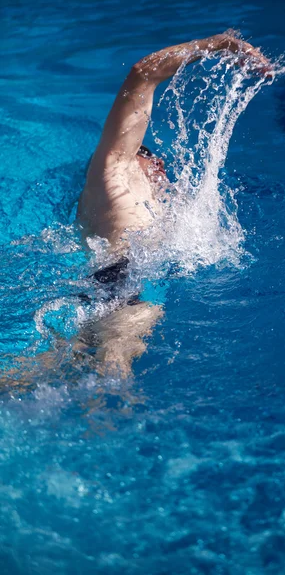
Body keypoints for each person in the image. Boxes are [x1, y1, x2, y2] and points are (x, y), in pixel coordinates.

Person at [73, 32, 271, 376]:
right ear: (136, 158)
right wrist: (220, 43)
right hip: (127, 287)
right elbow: (143, 73)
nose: (163, 169)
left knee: (33, 373)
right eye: (154, 160)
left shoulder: (103, 206)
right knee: (112, 381)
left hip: (92, 292)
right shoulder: (115, 168)